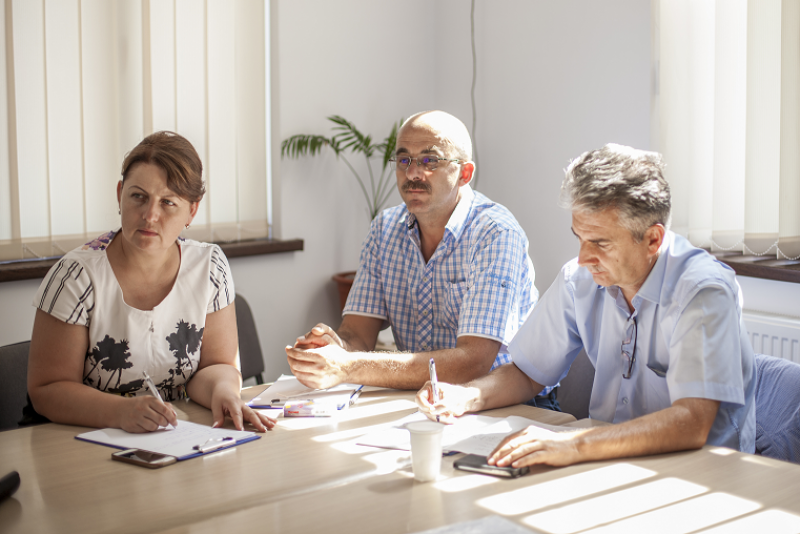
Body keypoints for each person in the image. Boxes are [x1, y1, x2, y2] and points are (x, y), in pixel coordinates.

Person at [416, 143, 756, 468]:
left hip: (699, 474)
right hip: (608, 458)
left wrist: (574, 444)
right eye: (579, 238)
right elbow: (527, 373)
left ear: (653, 239)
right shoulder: (581, 278)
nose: (583, 258)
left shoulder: (703, 293)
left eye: (600, 243)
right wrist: (466, 396)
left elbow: (692, 422)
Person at [286, 110, 553, 404]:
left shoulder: (495, 234)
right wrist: (334, 347)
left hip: (509, 406)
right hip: (424, 400)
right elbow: (357, 335)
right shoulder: (385, 229)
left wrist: (348, 366)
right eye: (404, 160)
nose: (413, 173)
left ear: (464, 173)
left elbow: (473, 363)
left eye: (429, 161)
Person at [27, 131, 275, 433]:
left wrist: (223, 391)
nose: (149, 215)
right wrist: (120, 412)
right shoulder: (76, 276)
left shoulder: (210, 267)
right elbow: (47, 389)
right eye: (138, 197)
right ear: (120, 194)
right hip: (82, 439)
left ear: (192, 210)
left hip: (174, 435)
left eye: (168, 203)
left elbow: (216, 367)